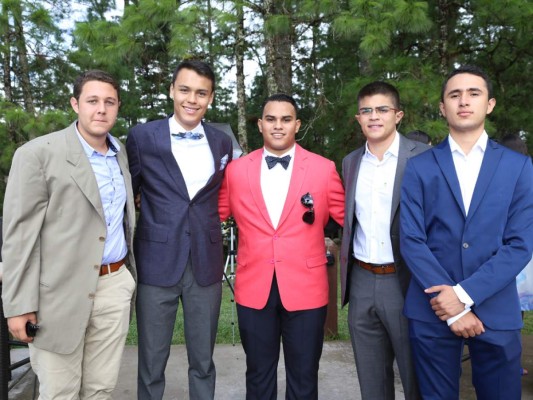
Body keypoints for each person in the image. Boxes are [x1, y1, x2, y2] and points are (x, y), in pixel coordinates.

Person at [1, 70, 137, 399]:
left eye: (109, 102)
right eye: (92, 101)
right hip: (57, 295)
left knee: (100, 389)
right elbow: (19, 236)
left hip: (113, 285)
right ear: (75, 104)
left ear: (118, 106)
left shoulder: (119, 153)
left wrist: (126, 281)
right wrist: (18, 305)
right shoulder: (37, 154)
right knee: (60, 393)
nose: (101, 109)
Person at [400, 65, 533, 399]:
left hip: (496, 308)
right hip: (433, 310)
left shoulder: (519, 167)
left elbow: (520, 244)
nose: (464, 101)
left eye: (474, 93)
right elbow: (412, 240)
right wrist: (452, 306)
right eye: (454, 94)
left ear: (490, 104)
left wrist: (463, 296)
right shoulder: (419, 167)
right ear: (442, 107)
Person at [218, 93, 344, 399]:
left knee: (304, 377)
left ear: (297, 125)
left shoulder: (323, 169)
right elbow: (210, 216)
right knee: (258, 376)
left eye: (286, 119)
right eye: (271, 119)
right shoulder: (235, 171)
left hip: (307, 289)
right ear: (260, 125)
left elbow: (351, 220)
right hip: (253, 288)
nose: (278, 126)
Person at [126, 59, 233, 400]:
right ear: (172, 90)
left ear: (210, 98)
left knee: (203, 360)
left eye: (201, 93)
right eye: (185, 90)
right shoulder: (142, 137)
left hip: (205, 262)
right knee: (151, 361)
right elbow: (128, 195)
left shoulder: (222, 142)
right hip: (156, 261)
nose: (192, 99)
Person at [339, 81, 428, 399]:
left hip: (407, 281)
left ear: (398, 115)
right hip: (361, 281)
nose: (373, 116)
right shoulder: (350, 162)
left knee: (417, 378)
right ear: (358, 118)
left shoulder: (425, 157)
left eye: (382, 109)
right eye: (366, 110)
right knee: (371, 381)